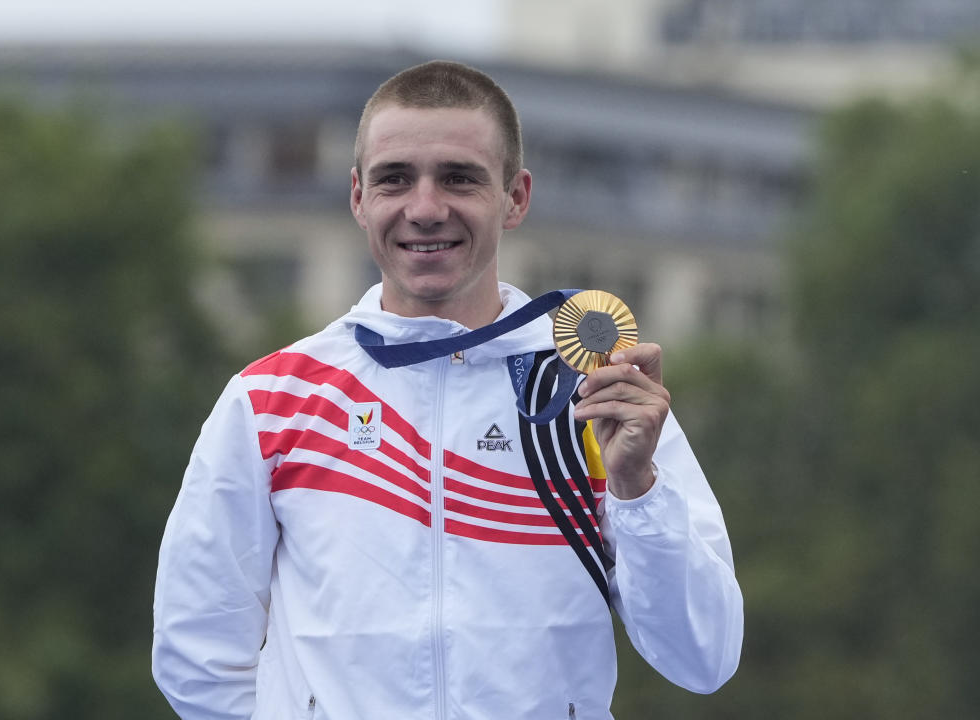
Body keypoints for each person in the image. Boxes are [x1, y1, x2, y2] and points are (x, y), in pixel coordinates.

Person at [152, 60, 743, 720]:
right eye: (395, 179)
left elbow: (704, 658)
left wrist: (638, 489)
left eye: (459, 178)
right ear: (357, 197)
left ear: (515, 197)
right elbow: (197, 655)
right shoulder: (270, 401)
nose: (425, 208)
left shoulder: (590, 393)